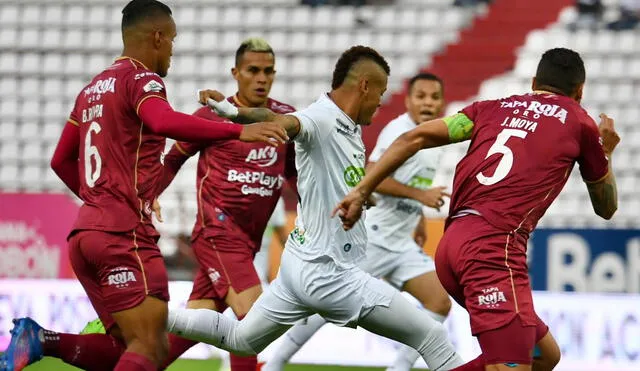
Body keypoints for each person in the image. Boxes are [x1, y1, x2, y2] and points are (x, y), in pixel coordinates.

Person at [0, 1, 287, 371]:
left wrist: (101, 201)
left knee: (133, 348)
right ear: (157, 37)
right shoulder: (143, 79)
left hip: (85, 233)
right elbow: (162, 120)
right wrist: (238, 129)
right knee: (154, 346)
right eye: (171, 40)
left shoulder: (90, 90)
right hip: (124, 235)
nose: (172, 50)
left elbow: (60, 161)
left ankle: (42, 340)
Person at [165, 45, 465, 371]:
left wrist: (361, 199)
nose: (381, 101)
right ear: (364, 85)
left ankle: (150, 312)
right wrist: (234, 112)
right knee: (432, 336)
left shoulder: (349, 127)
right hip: (330, 273)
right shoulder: (320, 117)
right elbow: (282, 121)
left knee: (241, 339)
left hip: (299, 268)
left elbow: (338, 181)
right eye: (380, 91)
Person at [333, 47, 620, 371]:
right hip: (493, 252)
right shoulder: (580, 122)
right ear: (579, 91)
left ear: (534, 81)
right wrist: (605, 153)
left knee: (544, 355)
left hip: (451, 247)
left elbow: (413, 138)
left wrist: (361, 190)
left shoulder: (492, 108)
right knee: (510, 365)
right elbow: (606, 208)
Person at [262, 72, 453, 371]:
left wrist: (415, 216)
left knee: (440, 302)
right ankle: (274, 362)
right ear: (409, 100)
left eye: (434, 97)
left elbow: (412, 180)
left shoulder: (434, 138)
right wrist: (420, 196)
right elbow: (371, 174)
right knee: (324, 305)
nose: (428, 102)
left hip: (401, 243)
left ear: (442, 102)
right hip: (373, 239)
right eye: (421, 96)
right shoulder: (399, 130)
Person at [155, 37, 297, 371]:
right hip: (217, 232)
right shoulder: (211, 116)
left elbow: (296, 176)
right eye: (253, 70)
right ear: (236, 72)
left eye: (268, 71)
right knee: (254, 324)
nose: (261, 78)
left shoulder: (284, 119)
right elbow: (172, 158)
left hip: (246, 244)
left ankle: (116, 353)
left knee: (181, 336)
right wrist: (148, 195)